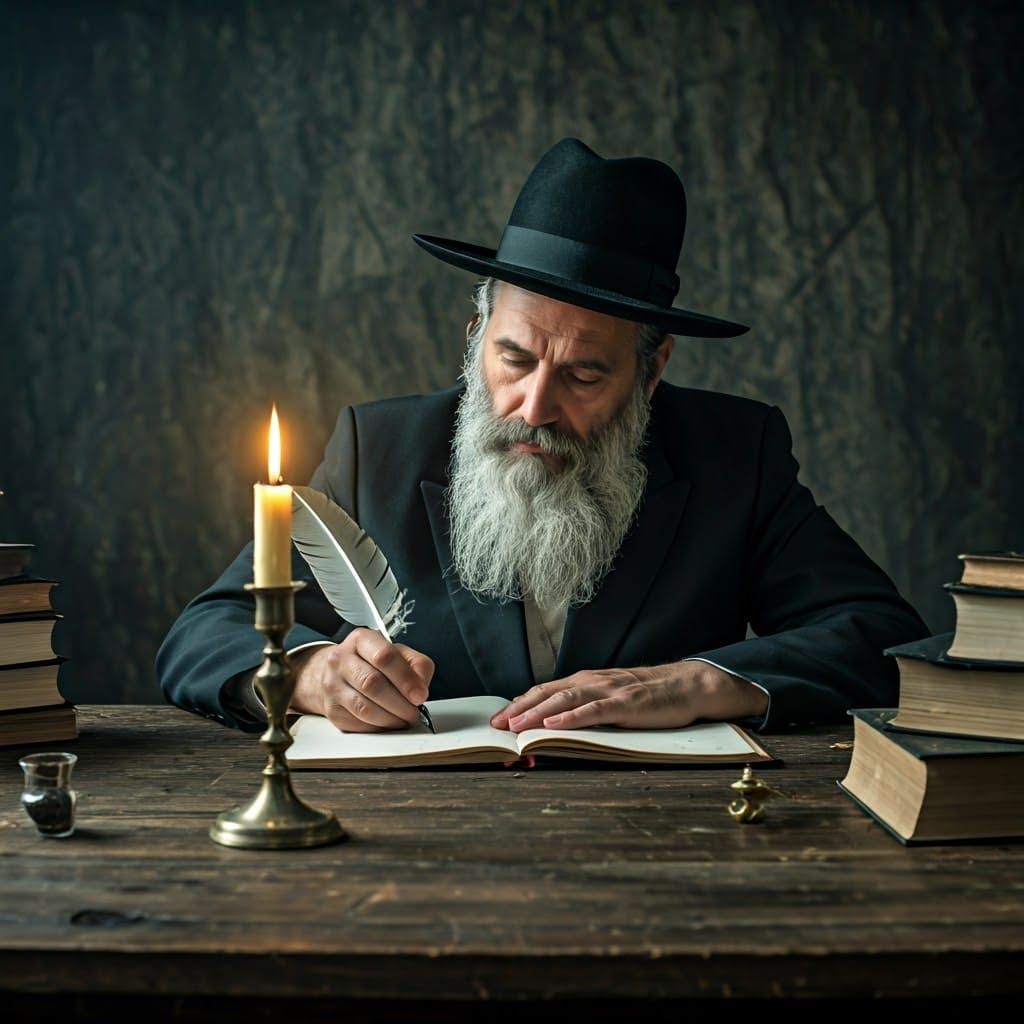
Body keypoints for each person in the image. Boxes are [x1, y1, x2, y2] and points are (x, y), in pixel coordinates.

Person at [156, 138, 929, 736]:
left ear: (651, 369)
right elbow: (203, 634)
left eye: (585, 376)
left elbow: (887, 640)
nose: (533, 407)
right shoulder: (376, 450)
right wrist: (310, 673)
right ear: (476, 333)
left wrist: (699, 682)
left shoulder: (737, 455)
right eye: (514, 358)